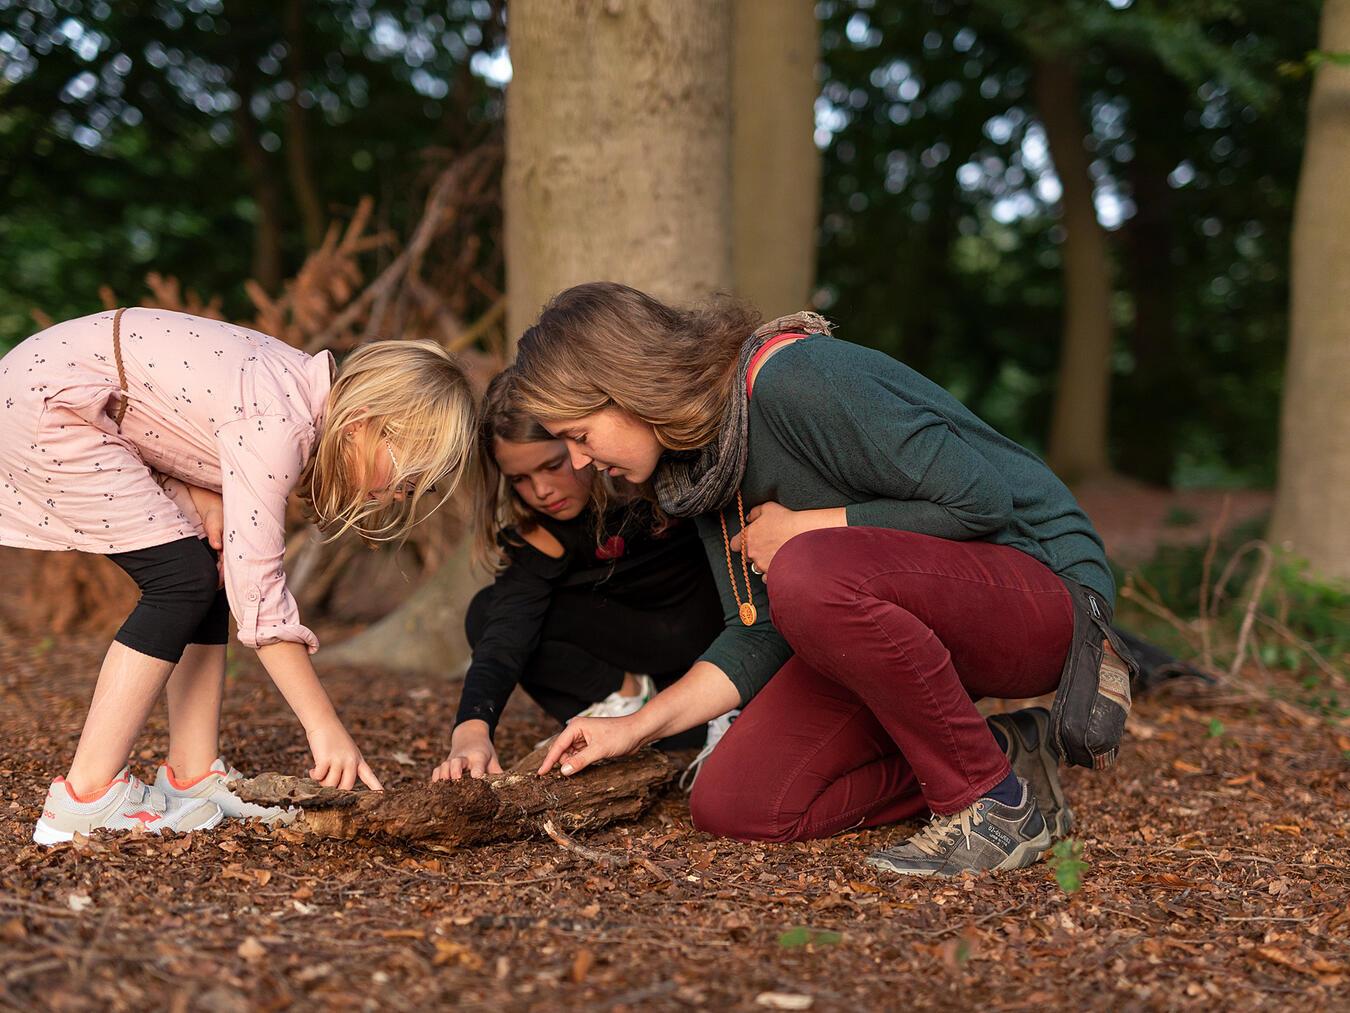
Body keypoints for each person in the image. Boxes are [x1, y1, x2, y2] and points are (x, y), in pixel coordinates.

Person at [512, 281, 1117, 877]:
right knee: (739, 802)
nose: (581, 463)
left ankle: (994, 806)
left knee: (809, 569)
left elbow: (981, 502)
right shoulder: (699, 467)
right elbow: (758, 631)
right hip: (877, 605)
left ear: (629, 388)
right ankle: (1006, 755)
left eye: (579, 435)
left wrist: (808, 528)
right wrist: (635, 727)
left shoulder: (796, 378)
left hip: (1044, 594)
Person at [2, 308, 474, 844]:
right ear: (364, 423)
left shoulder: (296, 392)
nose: (396, 495)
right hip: (52, 406)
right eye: (404, 476)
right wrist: (325, 728)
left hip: (72, 395)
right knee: (179, 581)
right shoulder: (283, 424)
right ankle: (83, 797)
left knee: (202, 572)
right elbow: (261, 597)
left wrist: (205, 496)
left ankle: (193, 776)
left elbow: (182, 413)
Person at [430, 370, 723, 782]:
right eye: (520, 480)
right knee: (490, 612)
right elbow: (504, 636)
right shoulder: (542, 531)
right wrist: (472, 729)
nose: (541, 490)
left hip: (709, 644)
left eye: (552, 465)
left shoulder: (649, 479)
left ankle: (712, 715)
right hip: (635, 654)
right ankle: (622, 700)